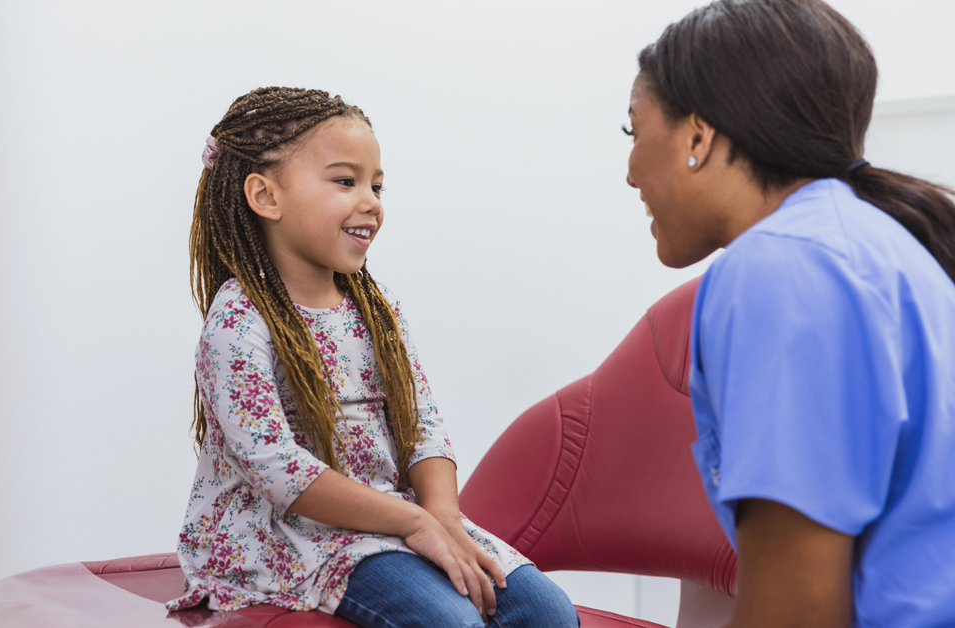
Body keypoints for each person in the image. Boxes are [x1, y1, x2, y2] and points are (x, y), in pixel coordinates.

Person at [168, 87, 579, 628]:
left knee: (547, 611)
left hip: (391, 517)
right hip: (288, 534)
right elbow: (277, 468)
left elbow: (424, 426)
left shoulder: (377, 311)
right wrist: (411, 522)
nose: (372, 202)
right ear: (266, 197)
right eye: (345, 181)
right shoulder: (239, 321)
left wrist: (443, 517)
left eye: (376, 185)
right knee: (448, 622)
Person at [623, 1, 955, 627]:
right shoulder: (873, 242)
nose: (631, 170)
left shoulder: (779, 272)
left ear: (698, 136)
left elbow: (798, 610)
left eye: (632, 131)